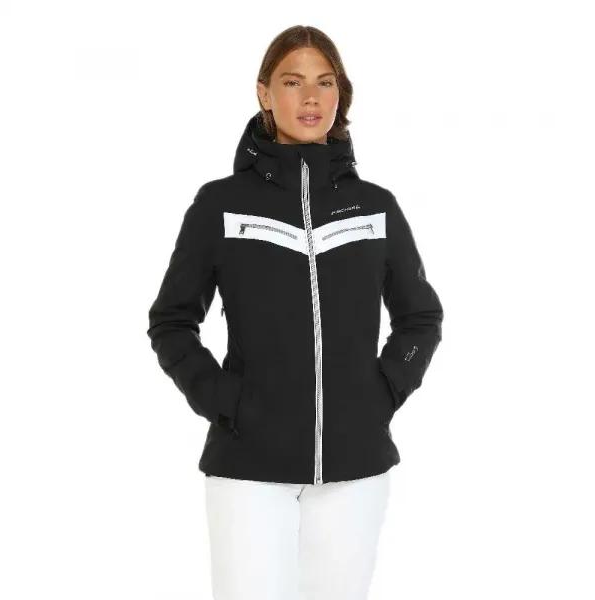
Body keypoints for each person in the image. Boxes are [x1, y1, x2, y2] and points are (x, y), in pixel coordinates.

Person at [146, 25, 444, 600]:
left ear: (340, 95)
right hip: (247, 467)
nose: (311, 97)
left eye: (325, 82)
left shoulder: (375, 207)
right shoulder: (221, 205)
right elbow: (172, 322)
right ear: (264, 92)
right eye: (292, 81)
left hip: (356, 468)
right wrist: (225, 401)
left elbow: (420, 318)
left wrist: (382, 392)